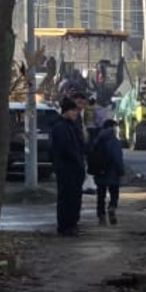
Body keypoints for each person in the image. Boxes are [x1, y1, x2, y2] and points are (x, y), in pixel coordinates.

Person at [50, 97, 88, 235]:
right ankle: (65, 226)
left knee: (75, 198)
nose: (75, 113)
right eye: (73, 111)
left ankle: (72, 224)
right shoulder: (60, 127)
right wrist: (77, 159)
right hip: (66, 169)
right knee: (67, 198)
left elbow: (80, 145)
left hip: (75, 168)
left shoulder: (72, 125)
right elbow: (65, 148)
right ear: (66, 111)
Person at [88, 118, 127, 226]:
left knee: (101, 195)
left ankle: (101, 217)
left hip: (99, 171)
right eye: (115, 127)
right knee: (114, 193)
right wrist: (121, 170)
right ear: (111, 127)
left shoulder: (97, 138)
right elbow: (117, 157)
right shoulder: (115, 141)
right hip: (113, 172)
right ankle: (112, 207)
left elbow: (91, 154)